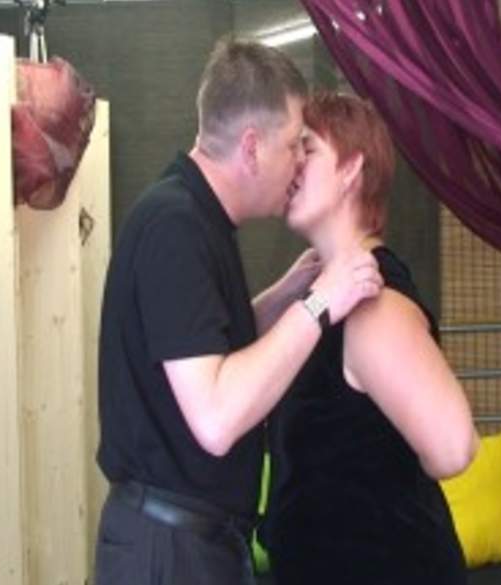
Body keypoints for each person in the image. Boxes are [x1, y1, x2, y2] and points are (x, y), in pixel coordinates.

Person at [94, 41, 383, 585]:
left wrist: (288, 295)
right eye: (294, 145)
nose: (299, 163)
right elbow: (216, 417)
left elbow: (203, 348)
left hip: (191, 544)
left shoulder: (195, 217)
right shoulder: (175, 227)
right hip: (169, 556)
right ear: (251, 148)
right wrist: (320, 303)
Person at [260, 92, 480, 585]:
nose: (292, 163)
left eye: (307, 148)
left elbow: (453, 447)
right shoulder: (327, 295)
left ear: (350, 170)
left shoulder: (371, 303)